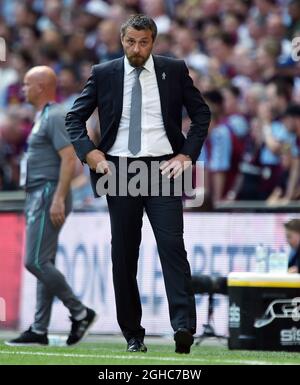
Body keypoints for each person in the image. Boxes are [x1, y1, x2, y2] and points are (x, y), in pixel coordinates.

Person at [66, 14, 210, 354]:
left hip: (164, 169)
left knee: (172, 247)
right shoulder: (104, 73)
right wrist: (91, 154)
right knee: (124, 254)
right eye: (131, 42)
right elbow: (74, 118)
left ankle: (183, 328)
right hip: (119, 171)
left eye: (143, 42)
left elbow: (201, 114)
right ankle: (133, 334)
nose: (136, 48)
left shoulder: (173, 70)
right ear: (122, 40)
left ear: (153, 42)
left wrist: (187, 155)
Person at [6, 66, 97, 347]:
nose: (22, 90)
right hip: (41, 192)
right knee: (45, 261)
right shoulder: (42, 116)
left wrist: (58, 196)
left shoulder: (55, 115)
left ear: (42, 86)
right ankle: (40, 328)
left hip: (47, 192)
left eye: (27, 84)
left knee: (34, 260)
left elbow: (69, 159)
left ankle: (79, 312)